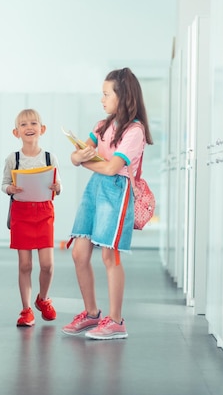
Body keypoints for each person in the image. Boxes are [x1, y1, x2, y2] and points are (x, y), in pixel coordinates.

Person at [62, 67, 153, 340]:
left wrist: (83, 160)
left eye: (105, 94)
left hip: (116, 191)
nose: (101, 99)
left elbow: (113, 168)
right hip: (94, 189)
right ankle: (92, 315)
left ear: (122, 96)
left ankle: (116, 321)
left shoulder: (135, 130)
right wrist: (79, 158)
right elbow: (73, 157)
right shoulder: (100, 126)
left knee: (108, 255)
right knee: (79, 253)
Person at [2, 109, 62, 327]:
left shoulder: (49, 157)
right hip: (22, 213)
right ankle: (26, 309)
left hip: (44, 212)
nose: (29, 127)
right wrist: (10, 188)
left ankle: (43, 299)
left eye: (34, 123)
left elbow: (58, 185)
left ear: (42, 129)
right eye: (24, 124)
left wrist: (58, 187)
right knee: (25, 265)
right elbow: (4, 184)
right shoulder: (13, 159)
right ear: (16, 132)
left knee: (47, 265)